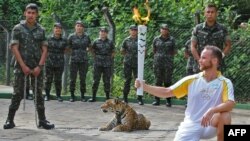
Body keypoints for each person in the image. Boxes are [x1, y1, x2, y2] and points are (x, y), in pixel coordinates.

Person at [135, 45, 235, 141]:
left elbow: (230, 104)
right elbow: (167, 92)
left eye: (203, 58)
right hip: (192, 124)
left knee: (225, 115)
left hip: (211, 124)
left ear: (214, 61)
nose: (199, 60)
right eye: (200, 57)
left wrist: (212, 110)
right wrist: (145, 87)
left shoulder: (225, 82)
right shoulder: (191, 80)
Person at [3, 3, 54, 129]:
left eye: (33, 13)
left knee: (38, 94)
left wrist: (40, 66)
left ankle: (42, 120)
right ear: (25, 13)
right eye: (29, 12)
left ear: (37, 15)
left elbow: (45, 49)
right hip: (21, 66)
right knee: (18, 93)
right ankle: (10, 120)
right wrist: (23, 66)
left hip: (37, 66)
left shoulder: (41, 30)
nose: (31, 15)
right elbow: (14, 48)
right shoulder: (18, 28)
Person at [191, 3, 231, 72]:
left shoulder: (222, 28)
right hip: (201, 66)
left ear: (216, 14)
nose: (210, 14)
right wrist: (199, 60)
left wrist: (221, 56)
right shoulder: (198, 28)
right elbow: (193, 46)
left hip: (217, 65)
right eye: (208, 12)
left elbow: (228, 45)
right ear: (204, 14)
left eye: (212, 12)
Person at [88, 27, 115, 102]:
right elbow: (92, 50)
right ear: (99, 33)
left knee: (106, 81)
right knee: (96, 80)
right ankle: (93, 97)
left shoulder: (110, 42)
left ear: (106, 33)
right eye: (101, 32)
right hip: (97, 64)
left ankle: (107, 97)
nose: (103, 33)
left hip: (107, 64)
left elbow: (113, 51)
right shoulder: (96, 41)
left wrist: (109, 58)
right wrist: (96, 57)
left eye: (104, 32)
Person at [151, 24, 176, 107]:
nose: (164, 30)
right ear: (160, 30)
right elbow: (154, 50)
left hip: (168, 63)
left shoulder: (172, 39)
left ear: (168, 30)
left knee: (168, 81)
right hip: (158, 63)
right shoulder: (156, 39)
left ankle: (168, 101)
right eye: (163, 29)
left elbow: (174, 51)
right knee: (158, 81)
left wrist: (167, 57)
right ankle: (156, 99)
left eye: (166, 29)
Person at [68, 20, 91, 102]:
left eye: (81, 26)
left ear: (83, 28)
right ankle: (72, 95)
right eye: (78, 26)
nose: (79, 27)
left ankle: (82, 96)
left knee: (83, 78)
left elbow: (89, 47)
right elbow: (68, 47)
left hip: (83, 61)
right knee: (72, 79)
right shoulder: (71, 37)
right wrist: (74, 53)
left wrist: (85, 52)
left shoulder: (87, 37)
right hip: (74, 60)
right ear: (75, 27)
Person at [44, 23, 68, 102]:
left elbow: (66, 50)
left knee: (58, 80)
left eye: (59, 28)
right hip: (49, 62)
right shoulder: (48, 39)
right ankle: (47, 95)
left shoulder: (64, 40)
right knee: (48, 79)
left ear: (61, 30)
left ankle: (58, 95)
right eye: (56, 28)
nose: (58, 30)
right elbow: (44, 50)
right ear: (53, 29)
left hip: (60, 62)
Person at [120, 25, 144, 105]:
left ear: (137, 31)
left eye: (135, 30)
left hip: (138, 63)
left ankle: (139, 98)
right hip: (128, 63)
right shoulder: (126, 40)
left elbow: (144, 51)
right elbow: (122, 50)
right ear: (129, 31)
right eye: (132, 30)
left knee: (139, 80)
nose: (134, 31)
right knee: (127, 80)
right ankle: (125, 98)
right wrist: (128, 56)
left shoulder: (141, 40)